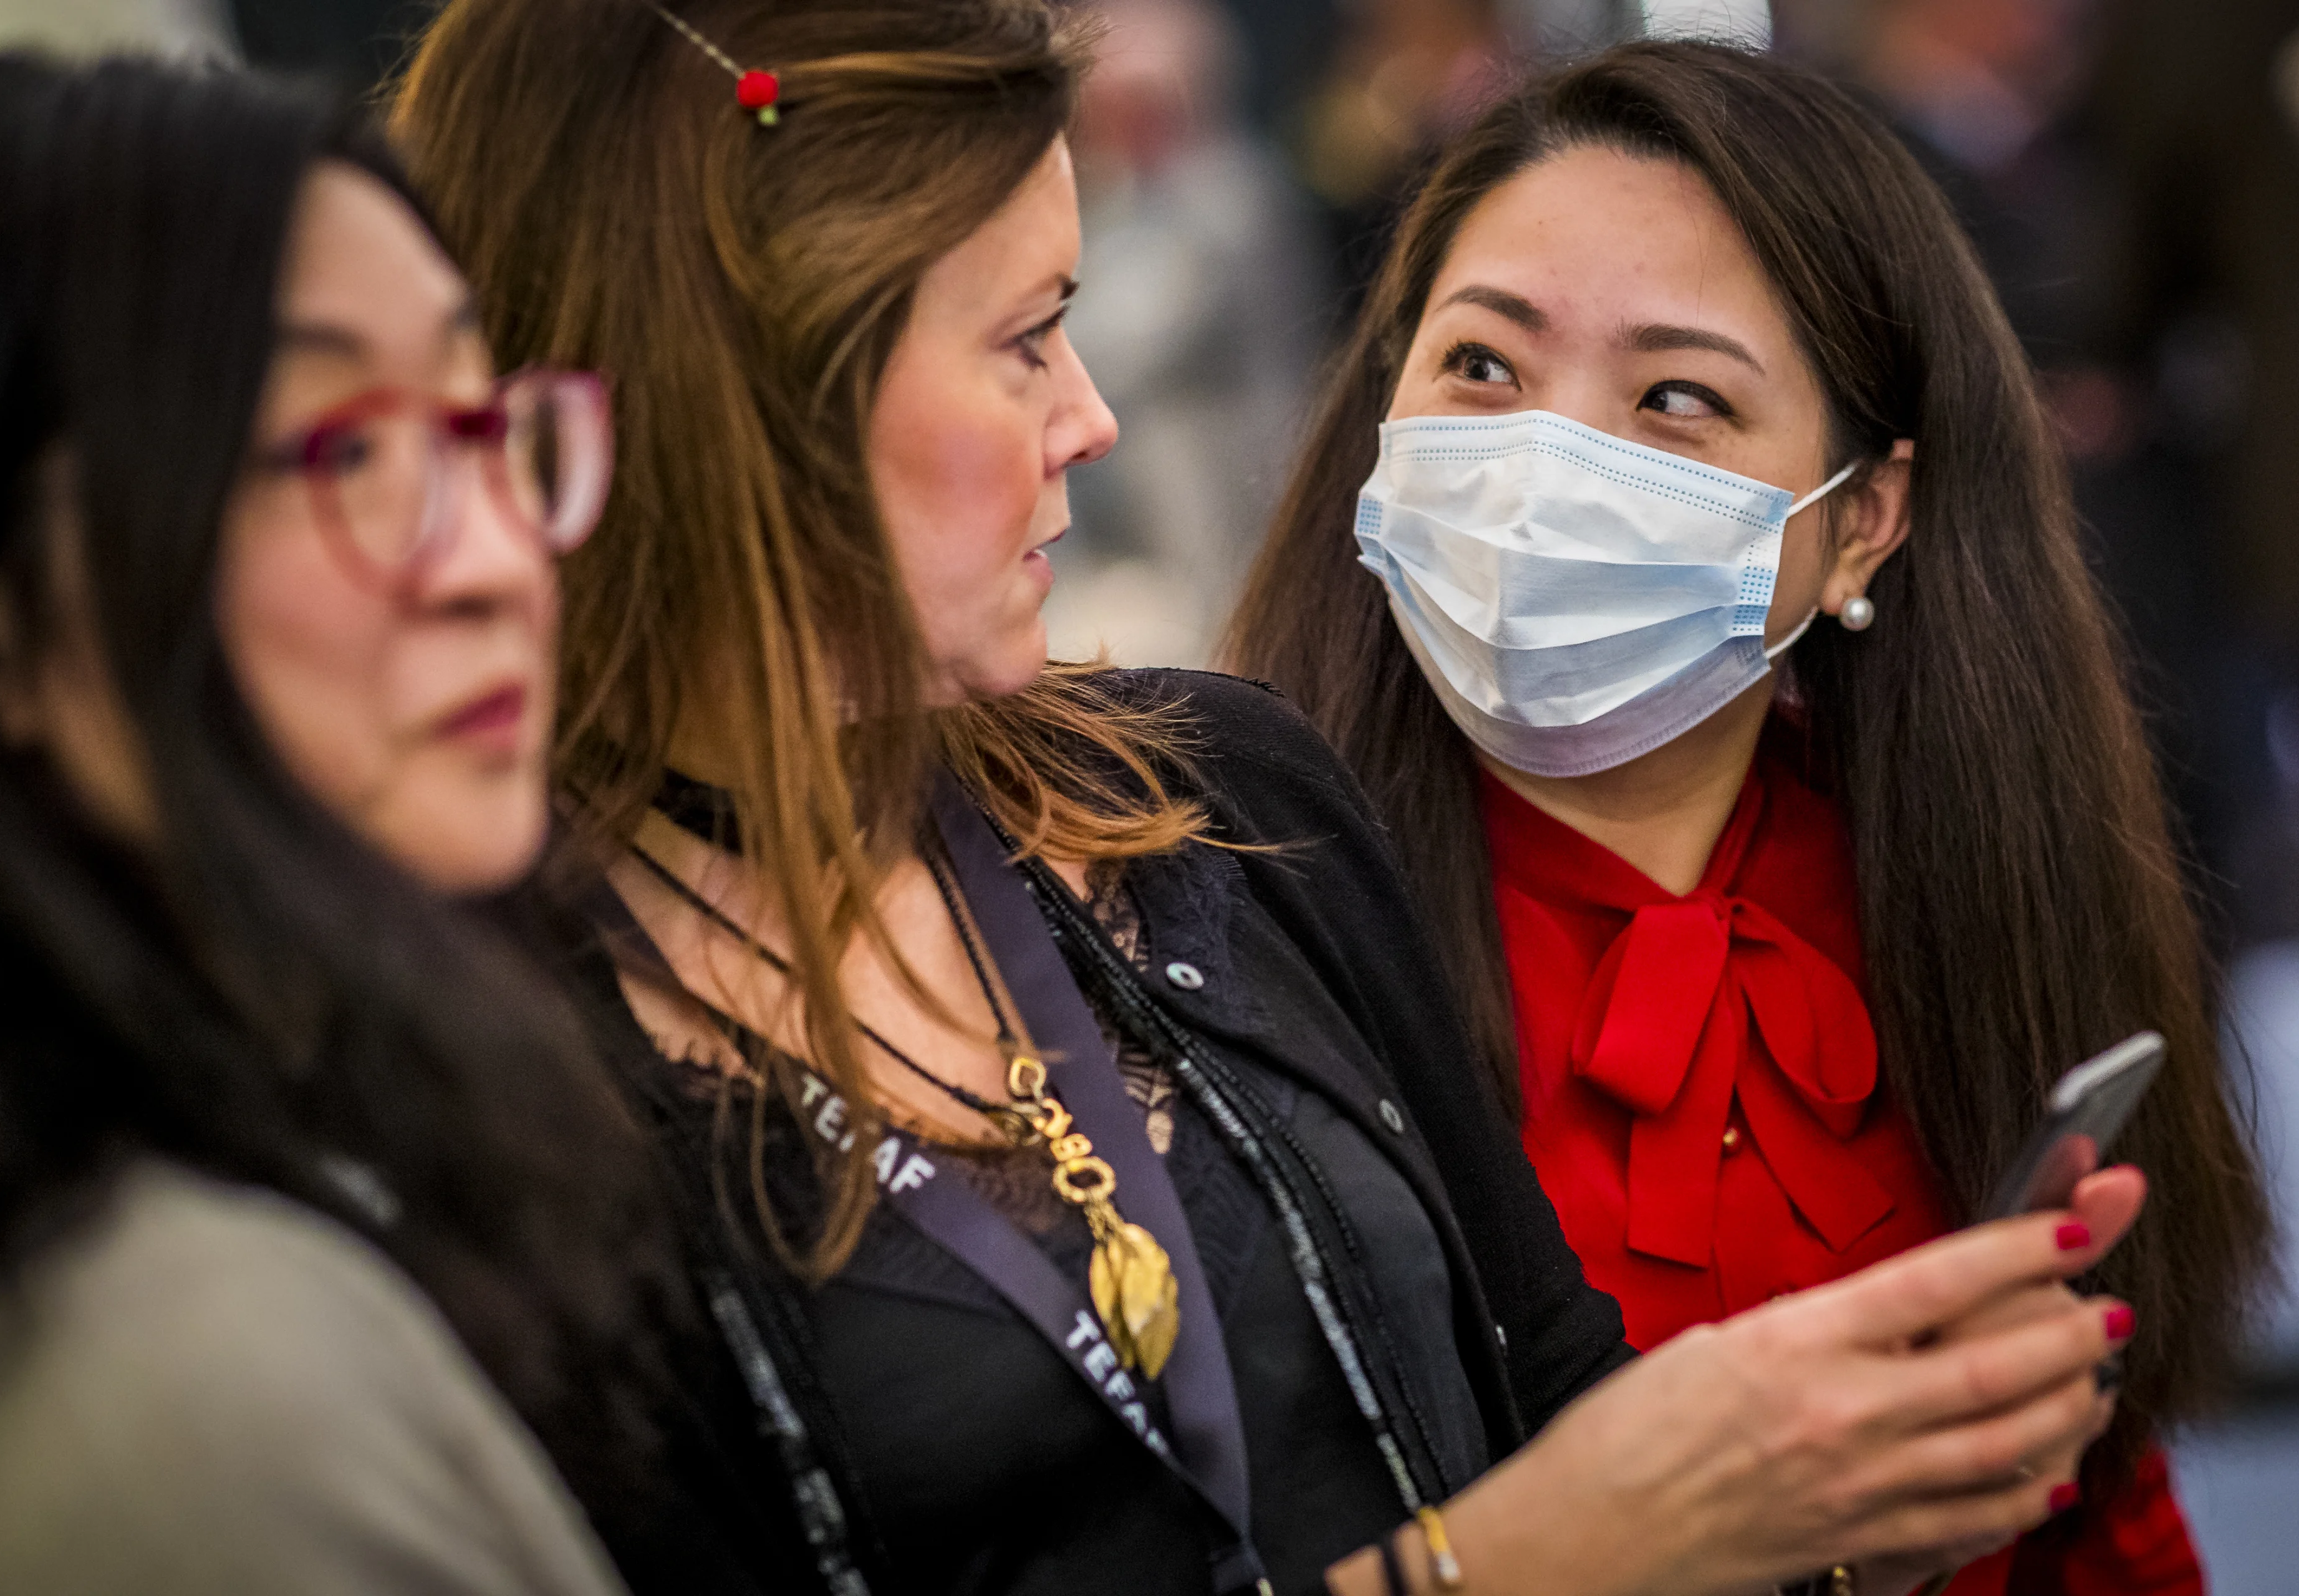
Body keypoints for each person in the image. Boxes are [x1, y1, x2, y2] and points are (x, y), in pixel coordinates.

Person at [395, 4, 2141, 1594]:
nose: (1089, 419)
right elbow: (1550, 1523)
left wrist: (1838, 1499)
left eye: (1677, 400)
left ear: (1870, 516)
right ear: (758, 395)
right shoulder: (477, 1072)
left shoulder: (1217, 796)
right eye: (1025, 339)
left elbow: (1546, 1387)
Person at [1223, 39, 2273, 1595]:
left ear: (1860, 523)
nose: (1542, 466)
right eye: (1485, 367)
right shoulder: (1221, 940)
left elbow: (2100, 1514)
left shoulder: (1977, 893)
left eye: (1676, 398)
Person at [0, 54, 646, 1594]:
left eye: (484, 425)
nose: (495, 558)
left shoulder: (340, 1141)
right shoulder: (194, 1400)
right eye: (346, 449)